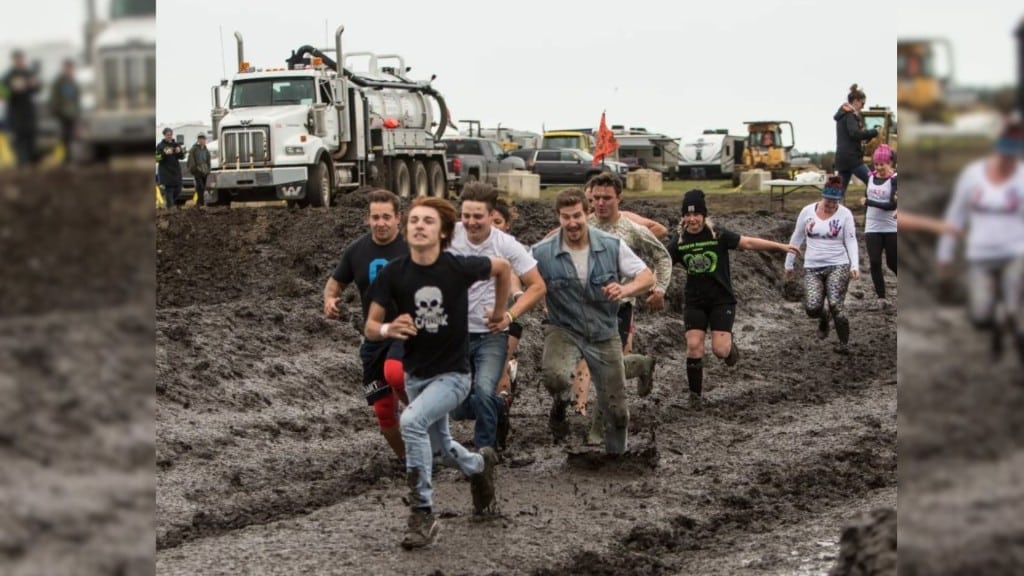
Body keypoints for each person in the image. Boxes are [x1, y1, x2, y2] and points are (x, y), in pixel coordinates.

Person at [365, 196, 512, 549]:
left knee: (411, 423)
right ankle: (480, 465)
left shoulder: (457, 267)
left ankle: (422, 514)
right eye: (413, 220)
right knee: (441, 447)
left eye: (427, 221)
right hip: (417, 375)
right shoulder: (394, 273)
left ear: (443, 231)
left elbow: (503, 268)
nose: (418, 225)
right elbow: (370, 326)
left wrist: (498, 312)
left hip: (455, 375)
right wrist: (388, 330)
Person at [532, 188, 654, 454]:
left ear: (587, 213)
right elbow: (523, 278)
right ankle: (562, 401)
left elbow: (647, 277)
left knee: (617, 413)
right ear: (558, 218)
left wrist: (625, 290)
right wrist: (532, 296)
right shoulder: (542, 252)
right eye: (566, 217)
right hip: (563, 327)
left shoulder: (611, 246)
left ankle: (616, 457)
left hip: (603, 331)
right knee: (554, 376)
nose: (572, 223)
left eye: (577, 215)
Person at [670, 189, 801, 409]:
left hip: (721, 300)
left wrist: (779, 246)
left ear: (704, 216)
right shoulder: (679, 241)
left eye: (696, 214)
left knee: (720, 350)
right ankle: (695, 397)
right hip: (694, 301)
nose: (692, 219)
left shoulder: (717, 234)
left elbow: (747, 243)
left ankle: (731, 348)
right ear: (683, 217)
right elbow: (663, 262)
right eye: (688, 215)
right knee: (694, 346)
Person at [448, 182, 546, 456]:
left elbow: (537, 286)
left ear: (492, 216)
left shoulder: (506, 245)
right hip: (453, 335)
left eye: (477, 216)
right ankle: (499, 407)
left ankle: (484, 453)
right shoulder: (449, 237)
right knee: (456, 406)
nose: (470, 222)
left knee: (483, 390)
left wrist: (510, 315)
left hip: (491, 335)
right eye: (465, 215)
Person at [577, 172, 668, 441]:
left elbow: (662, 257)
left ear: (619, 198)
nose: (600, 203)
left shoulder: (632, 229)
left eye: (607, 198)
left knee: (605, 367)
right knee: (590, 363)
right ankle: (640, 365)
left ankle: (597, 429)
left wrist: (660, 289)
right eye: (595, 198)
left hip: (619, 306)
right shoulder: (581, 225)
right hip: (583, 306)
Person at [323, 188, 409, 461]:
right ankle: (410, 462)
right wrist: (329, 300)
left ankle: (425, 411)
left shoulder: (411, 248)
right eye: (375, 217)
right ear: (367, 219)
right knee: (383, 411)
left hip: (407, 331)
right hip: (373, 335)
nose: (380, 223)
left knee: (395, 372)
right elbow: (334, 284)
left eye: (386, 217)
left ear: (398, 218)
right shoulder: (356, 250)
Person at [936, 122, 1024, 362]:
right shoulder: (973, 175)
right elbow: (956, 214)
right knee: (980, 315)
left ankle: (1012, 330)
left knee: (1013, 307)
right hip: (980, 255)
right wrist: (945, 252)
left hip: (1015, 252)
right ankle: (996, 322)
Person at [785, 175, 862, 354]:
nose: (831, 206)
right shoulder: (807, 212)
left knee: (836, 304)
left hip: (838, 264)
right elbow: (797, 237)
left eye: (835, 203)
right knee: (812, 308)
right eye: (828, 202)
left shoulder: (845, 214)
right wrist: (789, 263)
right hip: (812, 267)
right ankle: (823, 316)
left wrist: (854, 265)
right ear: (822, 197)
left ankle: (844, 344)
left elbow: (851, 241)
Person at [490, 198, 525, 450]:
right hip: (473, 323)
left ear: (507, 226)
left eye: (497, 222)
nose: (491, 226)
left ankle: (496, 437)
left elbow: (513, 276)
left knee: (497, 371)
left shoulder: (510, 251)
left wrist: (517, 295)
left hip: (506, 319)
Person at [860, 144, 898, 310]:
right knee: (874, 262)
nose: (879, 167)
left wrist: (869, 202)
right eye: (876, 164)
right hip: (872, 226)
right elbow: (866, 196)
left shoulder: (894, 179)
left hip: (890, 227)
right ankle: (881, 298)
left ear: (890, 163)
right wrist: (865, 204)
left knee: (892, 263)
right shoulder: (870, 177)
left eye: (882, 164)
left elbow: (891, 205)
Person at [834, 84, 880, 196]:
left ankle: (833, 209)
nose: (863, 106)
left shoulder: (843, 115)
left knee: (839, 192)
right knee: (873, 182)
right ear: (855, 101)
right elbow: (854, 134)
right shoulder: (850, 115)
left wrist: (867, 136)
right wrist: (874, 132)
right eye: (862, 103)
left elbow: (852, 136)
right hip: (852, 158)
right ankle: (871, 204)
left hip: (842, 158)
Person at [1, 49, 41, 167]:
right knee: (19, 140)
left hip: (28, 112)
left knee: (31, 138)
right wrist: (12, 89)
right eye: (18, 59)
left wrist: (34, 84)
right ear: (14, 61)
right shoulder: (8, 76)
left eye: (21, 59)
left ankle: (31, 163)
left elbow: (38, 89)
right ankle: (22, 164)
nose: (20, 61)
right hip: (15, 112)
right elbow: (2, 94)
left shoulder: (29, 73)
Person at [48, 58, 80, 165]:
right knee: (63, 136)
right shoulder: (59, 82)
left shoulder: (73, 82)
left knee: (71, 136)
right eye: (67, 68)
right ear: (64, 68)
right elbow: (54, 98)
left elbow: (76, 99)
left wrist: (78, 113)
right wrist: (55, 111)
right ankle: (63, 157)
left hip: (72, 114)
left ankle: (69, 157)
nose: (69, 70)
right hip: (62, 114)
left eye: (71, 68)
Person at [156, 127, 186, 209]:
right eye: (167, 135)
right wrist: (164, 154)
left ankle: (169, 203)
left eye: (170, 135)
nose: (169, 136)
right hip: (165, 172)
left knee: (178, 189)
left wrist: (179, 151)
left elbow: (182, 156)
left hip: (175, 171)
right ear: (164, 135)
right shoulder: (160, 146)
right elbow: (157, 158)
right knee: (169, 190)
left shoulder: (175, 144)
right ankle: (170, 207)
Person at [187, 134, 211, 207]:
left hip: (205, 171)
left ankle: (199, 203)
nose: (201, 140)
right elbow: (191, 161)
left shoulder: (206, 150)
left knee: (202, 187)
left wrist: (208, 170)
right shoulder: (194, 149)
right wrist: (194, 169)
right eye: (200, 139)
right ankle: (201, 202)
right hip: (197, 171)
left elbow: (208, 161)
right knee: (200, 186)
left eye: (203, 139)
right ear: (198, 140)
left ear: (205, 140)